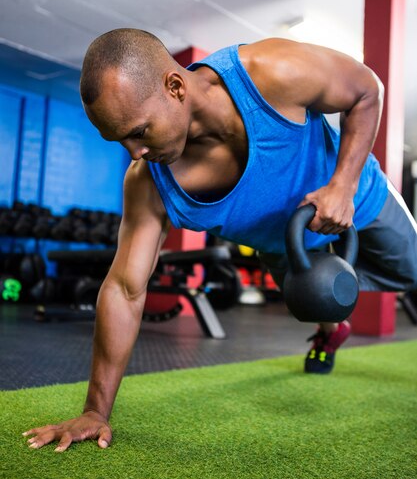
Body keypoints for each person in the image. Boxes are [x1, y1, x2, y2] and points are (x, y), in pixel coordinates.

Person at [23, 28, 417, 452]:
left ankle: (334, 303)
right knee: (315, 302)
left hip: (358, 198)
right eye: (119, 139)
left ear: (175, 87)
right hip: (281, 244)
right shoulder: (150, 183)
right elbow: (124, 287)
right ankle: (330, 330)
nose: (133, 152)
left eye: (138, 131)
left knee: (413, 269)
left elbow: (365, 90)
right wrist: (95, 411)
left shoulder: (272, 74)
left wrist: (342, 185)